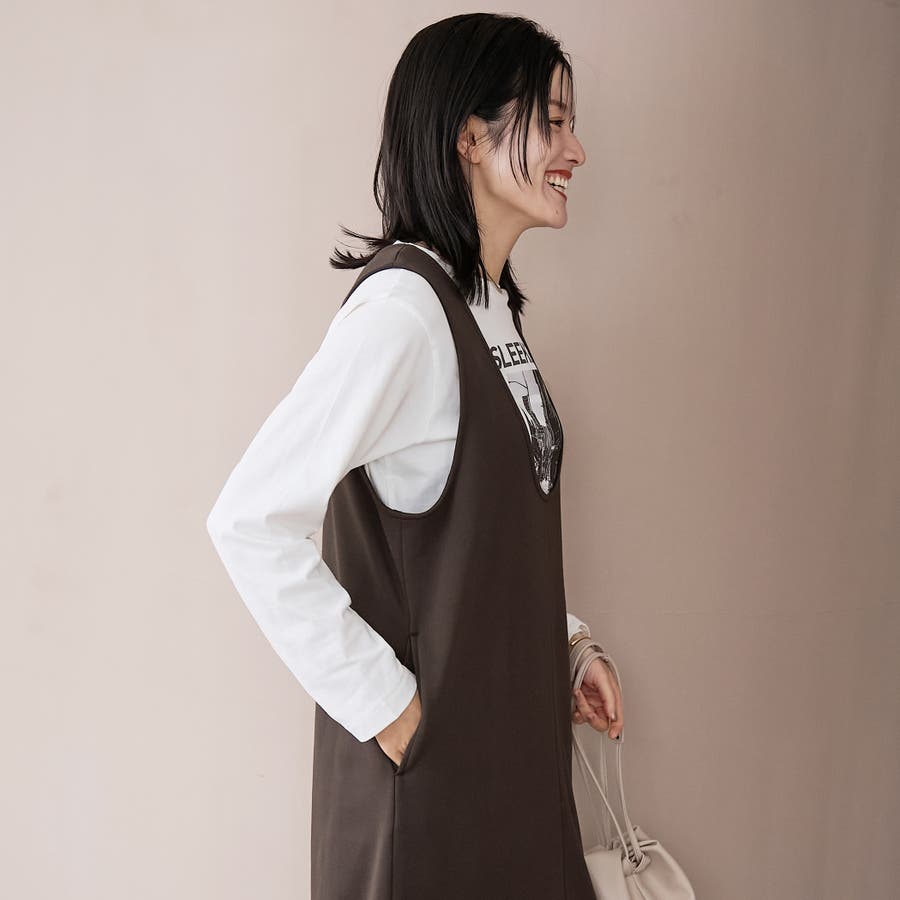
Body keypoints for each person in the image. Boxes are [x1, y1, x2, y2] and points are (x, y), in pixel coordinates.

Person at [206, 12, 624, 899]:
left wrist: (564, 647)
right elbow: (249, 521)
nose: (575, 150)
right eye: (552, 121)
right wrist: (391, 710)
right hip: (435, 797)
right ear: (469, 136)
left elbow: (479, 542)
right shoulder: (403, 313)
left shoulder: (488, 309)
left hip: (515, 773)